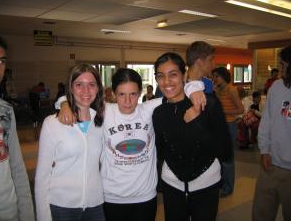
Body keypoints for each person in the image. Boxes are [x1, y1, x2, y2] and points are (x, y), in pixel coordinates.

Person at [55, 68, 206, 221]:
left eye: (133, 94)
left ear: (140, 93)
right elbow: (81, 98)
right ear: (113, 94)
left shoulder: (149, 109)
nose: (127, 101)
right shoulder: (104, 111)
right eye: (121, 94)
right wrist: (64, 103)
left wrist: (194, 89)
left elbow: (175, 93)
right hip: (111, 198)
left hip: (145, 198)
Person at [152, 52, 232, 221]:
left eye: (173, 74)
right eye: (161, 76)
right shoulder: (158, 112)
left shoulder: (207, 104)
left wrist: (197, 124)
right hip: (171, 185)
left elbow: (225, 152)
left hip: (206, 184)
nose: (166, 82)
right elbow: (161, 151)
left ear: (184, 75)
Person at [35, 63, 105, 221]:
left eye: (91, 85)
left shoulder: (102, 120)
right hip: (61, 206)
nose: (86, 91)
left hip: (95, 205)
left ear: (98, 89)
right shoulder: (52, 123)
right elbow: (42, 175)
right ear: (71, 88)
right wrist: (43, 217)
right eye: (79, 84)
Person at [0, 32, 35, 221]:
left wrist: (26, 214)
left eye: (1, 61)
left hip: (9, 212)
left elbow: (17, 168)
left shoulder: (5, 111)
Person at [252, 45, 291, 221]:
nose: (280, 68)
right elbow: (267, 120)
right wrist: (264, 150)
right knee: (261, 213)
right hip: (271, 164)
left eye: (283, 64)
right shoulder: (276, 87)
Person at [212, 67, 244, 197]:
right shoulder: (218, 90)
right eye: (213, 76)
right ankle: (222, 183)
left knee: (228, 159)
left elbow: (240, 109)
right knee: (219, 158)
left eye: (216, 76)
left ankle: (228, 187)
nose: (214, 79)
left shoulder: (231, 90)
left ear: (224, 77)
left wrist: (223, 112)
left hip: (229, 125)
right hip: (219, 125)